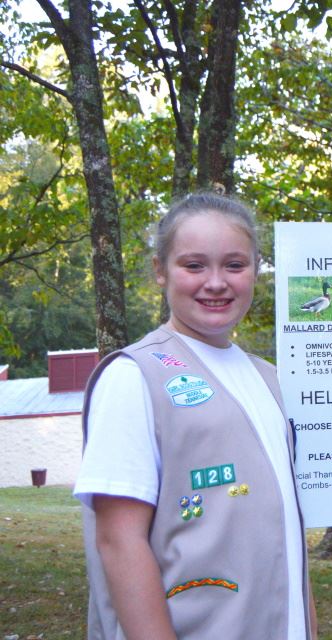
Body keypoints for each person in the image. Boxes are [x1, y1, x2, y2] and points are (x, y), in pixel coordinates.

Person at [74, 192, 317, 639]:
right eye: (194, 265)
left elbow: (285, 534)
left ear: (256, 271)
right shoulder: (134, 376)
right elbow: (118, 541)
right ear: (160, 270)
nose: (216, 282)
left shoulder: (269, 379)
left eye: (234, 265)